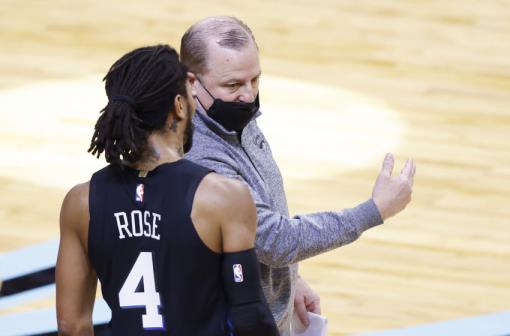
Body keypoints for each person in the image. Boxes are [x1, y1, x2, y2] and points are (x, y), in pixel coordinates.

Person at [181, 16, 416, 335]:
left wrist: (292, 282)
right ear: (192, 82)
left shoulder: (233, 119)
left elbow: (265, 214)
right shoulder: (203, 156)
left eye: (255, 80)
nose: (248, 95)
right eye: (233, 84)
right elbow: (274, 240)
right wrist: (373, 211)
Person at [55, 44, 279, 336]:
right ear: (179, 105)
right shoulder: (223, 197)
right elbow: (250, 317)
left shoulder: (81, 202)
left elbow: (71, 325)